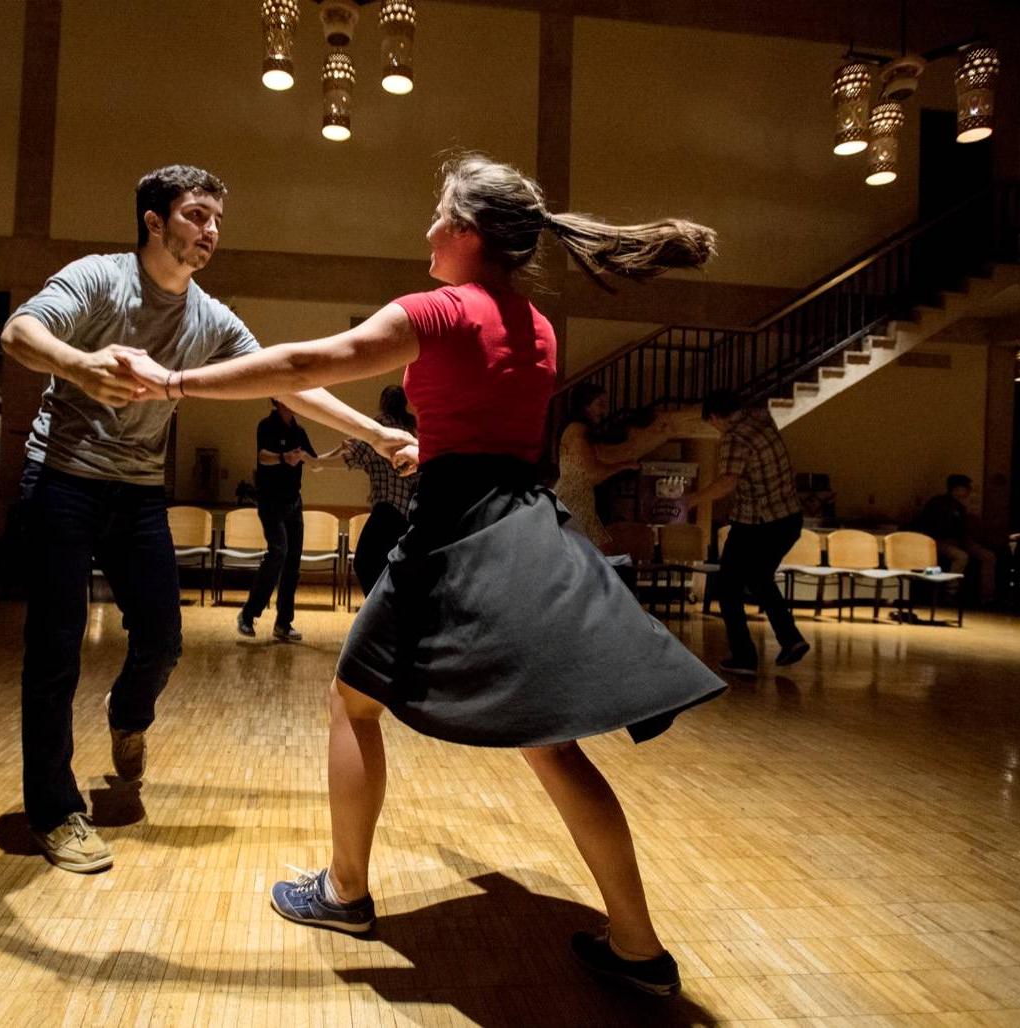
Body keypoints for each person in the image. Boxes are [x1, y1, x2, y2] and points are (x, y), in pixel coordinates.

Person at [117, 154, 725, 997]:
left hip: (454, 534)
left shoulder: (438, 310)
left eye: (439, 217)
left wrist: (175, 380)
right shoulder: (540, 325)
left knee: (351, 701)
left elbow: (303, 366)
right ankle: (638, 946)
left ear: (468, 234)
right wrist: (417, 442)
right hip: (524, 525)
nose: (427, 232)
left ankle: (345, 892)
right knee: (553, 743)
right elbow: (488, 424)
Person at [0, 165, 414, 875]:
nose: (211, 231)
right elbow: (19, 331)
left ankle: (128, 718)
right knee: (56, 646)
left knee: (162, 640)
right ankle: (54, 809)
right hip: (62, 479)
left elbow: (288, 380)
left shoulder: (209, 318)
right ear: (154, 222)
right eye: (196, 216)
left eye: (217, 219)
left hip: (135, 493)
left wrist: (375, 435)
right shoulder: (100, 279)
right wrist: (78, 364)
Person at [684, 391, 809, 677]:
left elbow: (727, 483)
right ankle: (791, 640)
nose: (715, 430)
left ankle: (744, 656)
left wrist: (691, 500)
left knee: (728, 586)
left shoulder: (734, 437)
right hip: (788, 518)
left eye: (711, 424)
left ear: (715, 417)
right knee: (760, 578)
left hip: (757, 523)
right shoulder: (761, 420)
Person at [554, 384, 678, 549]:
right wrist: (623, 465)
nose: (604, 410)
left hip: (575, 499)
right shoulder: (578, 431)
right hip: (574, 500)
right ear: (585, 404)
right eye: (600, 403)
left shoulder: (577, 430)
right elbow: (591, 474)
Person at [237, 400, 318, 641]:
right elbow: (263, 457)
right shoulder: (266, 426)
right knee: (278, 552)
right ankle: (248, 615)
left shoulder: (299, 431)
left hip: (294, 502)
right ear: (279, 399)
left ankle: (283, 624)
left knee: (292, 562)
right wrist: (285, 458)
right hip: (270, 501)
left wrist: (341, 453)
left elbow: (314, 461)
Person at [338, 385, 419, 595]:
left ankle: (377, 612)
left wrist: (322, 459)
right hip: (406, 512)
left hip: (386, 508)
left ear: (383, 402)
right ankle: (388, 615)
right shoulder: (409, 430)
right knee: (390, 566)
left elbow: (354, 453)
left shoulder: (381, 424)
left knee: (364, 563)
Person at [915, 474, 997, 605]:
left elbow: (962, 530)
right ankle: (951, 591)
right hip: (939, 540)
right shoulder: (938, 504)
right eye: (966, 488)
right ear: (956, 489)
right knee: (961, 556)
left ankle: (987, 596)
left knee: (989, 556)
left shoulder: (960, 507)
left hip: (960, 540)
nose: (969, 491)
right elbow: (934, 527)